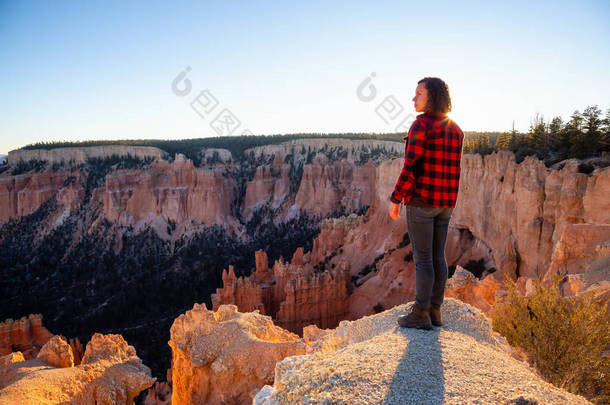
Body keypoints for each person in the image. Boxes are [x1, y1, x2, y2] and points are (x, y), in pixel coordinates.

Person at [388, 77, 464, 330]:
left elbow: (411, 167)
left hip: (422, 201)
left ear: (431, 97)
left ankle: (420, 312)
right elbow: (454, 168)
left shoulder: (421, 125)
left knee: (423, 259)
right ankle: (435, 310)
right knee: (437, 256)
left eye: (419, 93)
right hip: (446, 202)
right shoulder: (456, 129)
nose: (413, 98)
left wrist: (396, 198)